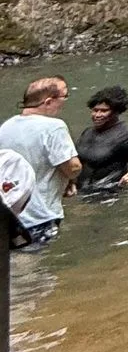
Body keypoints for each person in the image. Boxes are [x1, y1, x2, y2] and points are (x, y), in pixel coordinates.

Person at [0, 78, 81, 244]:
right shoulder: (54, 127)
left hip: (9, 216)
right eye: (64, 97)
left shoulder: (5, 127)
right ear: (49, 102)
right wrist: (71, 179)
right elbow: (72, 167)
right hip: (40, 217)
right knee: (34, 265)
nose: (65, 102)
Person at [73, 86, 128, 197]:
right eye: (95, 110)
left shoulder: (127, 133)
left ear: (116, 112)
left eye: (104, 111)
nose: (97, 115)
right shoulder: (88, 133)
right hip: (83, 189)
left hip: (108, 192)